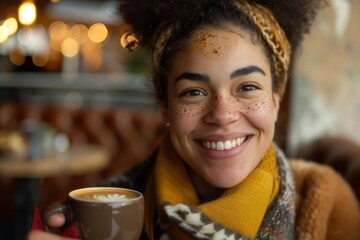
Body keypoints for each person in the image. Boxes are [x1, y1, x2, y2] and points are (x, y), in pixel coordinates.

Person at [28, 0, 360, 239]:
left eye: (247, 87)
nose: (223, 115)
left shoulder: (326, 203)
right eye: (194, 92)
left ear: (275, 100)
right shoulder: (105, 214)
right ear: (165, 107)